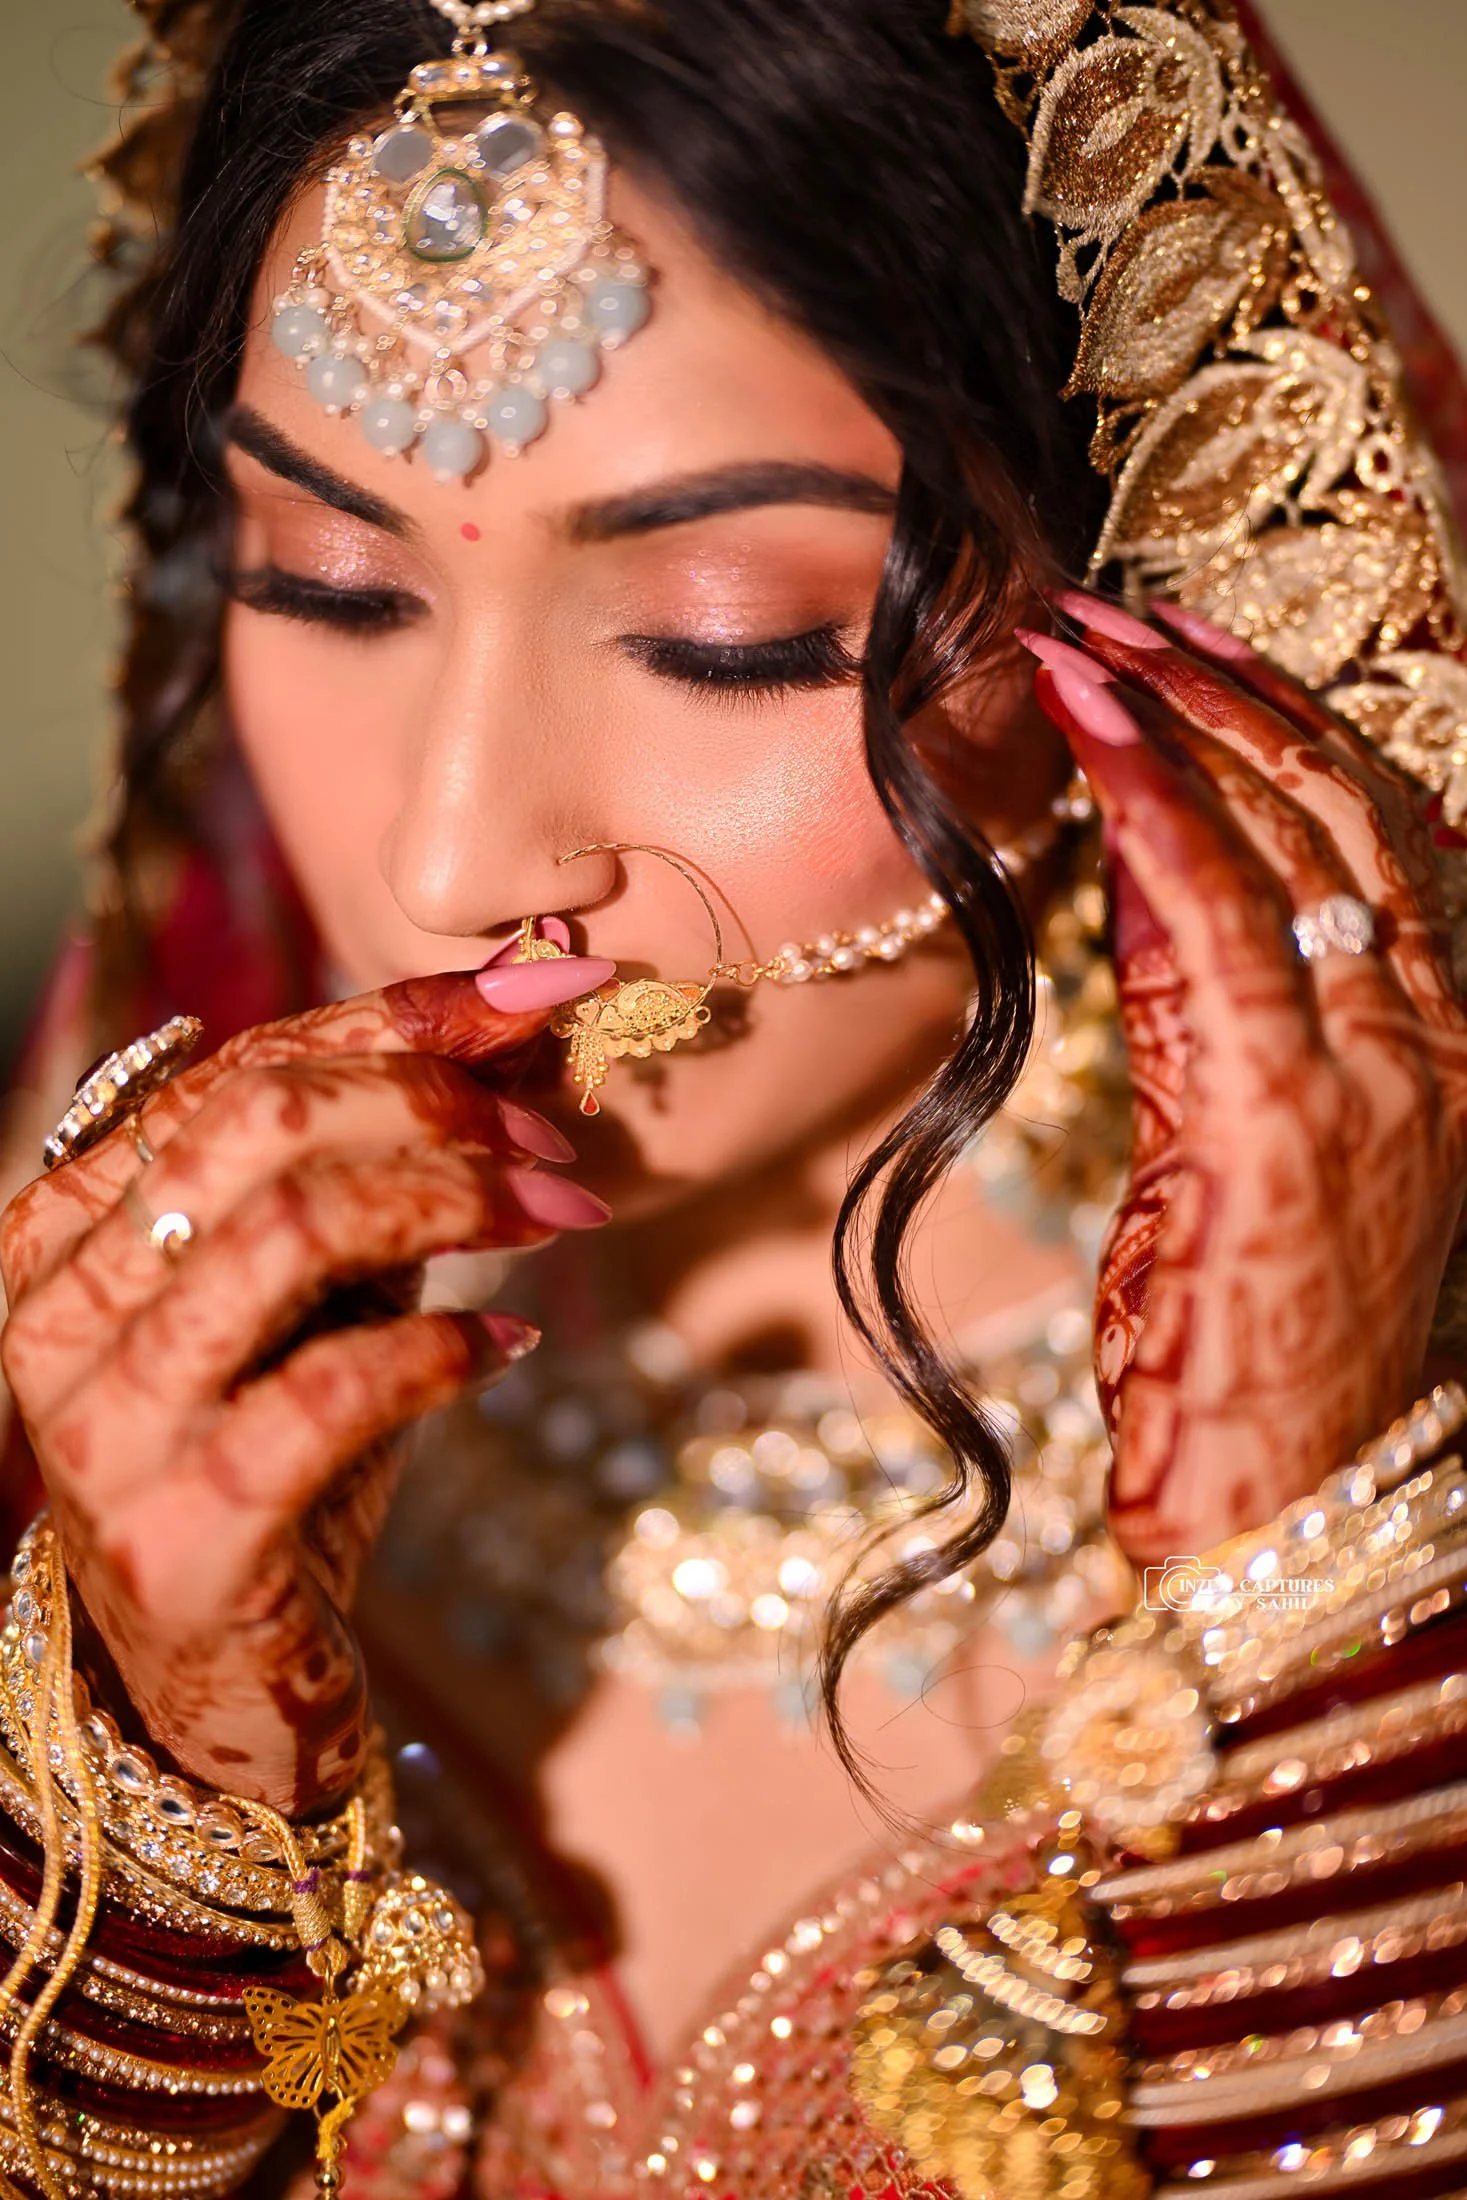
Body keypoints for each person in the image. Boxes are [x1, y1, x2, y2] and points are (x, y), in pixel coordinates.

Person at [1, 0, 1465, 2192]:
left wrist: (1301, 1612)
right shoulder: (149, 1435)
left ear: (1133, 561)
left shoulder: (1387, 1478)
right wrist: (171, 1804)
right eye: (330, 583)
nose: (450, 860)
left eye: (725, 628)